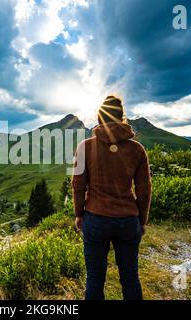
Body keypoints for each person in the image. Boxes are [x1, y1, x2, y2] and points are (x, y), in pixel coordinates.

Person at [72, 95, 152, 300]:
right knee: (130, 279)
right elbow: (144, 190)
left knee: (94, 279)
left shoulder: (85, 147)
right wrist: (141, 221)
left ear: (99, 118)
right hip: (127, 221)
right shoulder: (137, 149)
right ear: (121, 117)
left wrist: (78, 215)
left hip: (95, 219)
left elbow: (78, 186)